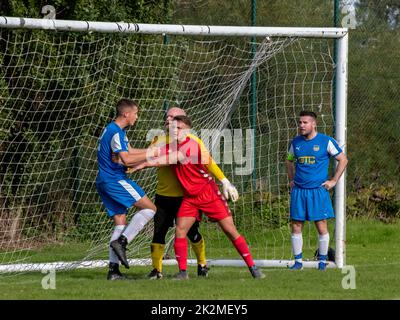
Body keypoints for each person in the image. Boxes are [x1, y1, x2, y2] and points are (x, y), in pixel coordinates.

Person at [131, 115, 264, 279]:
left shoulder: (191, 146)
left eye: (179, 128)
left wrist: (143, 164)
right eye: (173, 127)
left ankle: (253, 267)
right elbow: (153, 153)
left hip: (208, 194)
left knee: (230, 230)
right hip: (190, 198)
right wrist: (130, 156)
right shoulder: (172, 145)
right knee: (180, 231)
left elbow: (167, 159)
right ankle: (183, 272)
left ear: (187, 130)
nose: (175, 130)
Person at [145, 107, 239, 280]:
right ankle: (156, 270)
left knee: (192, 233)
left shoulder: (193, 140)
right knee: (159, 232)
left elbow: (208, 162)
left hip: (186, 197)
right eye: (167, 116)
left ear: (183, 120)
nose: (169, 119)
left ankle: (202, 264)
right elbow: (150, 159)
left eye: (174, 116)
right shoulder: (158, 139)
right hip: (163, 196)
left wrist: (224, 181)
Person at [96, 98, 158, 280]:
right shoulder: (115, 132)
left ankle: (113, 272)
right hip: (114, 180)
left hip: (104, 180)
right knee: (150, 208)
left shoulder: (116, 130)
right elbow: (127, 160)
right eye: (135, 113)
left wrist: (149, 151)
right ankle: (122, 242)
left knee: (120, 223)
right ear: (126, 114)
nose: (137, 117)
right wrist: (150, 153)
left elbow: (130, 152)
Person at [285, 111, 348, 271]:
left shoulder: (325, 141)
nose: (301, 125)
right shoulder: (296, 142)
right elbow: (289, 160)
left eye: (305, 122)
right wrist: (291, 179)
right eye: (300, 122)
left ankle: (322, 261)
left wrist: (333, 181)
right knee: (296, 225)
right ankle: (298, 262)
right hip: (299, 191)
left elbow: (343, 159)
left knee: (321, 225)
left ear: (314, 124)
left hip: (317, 191)